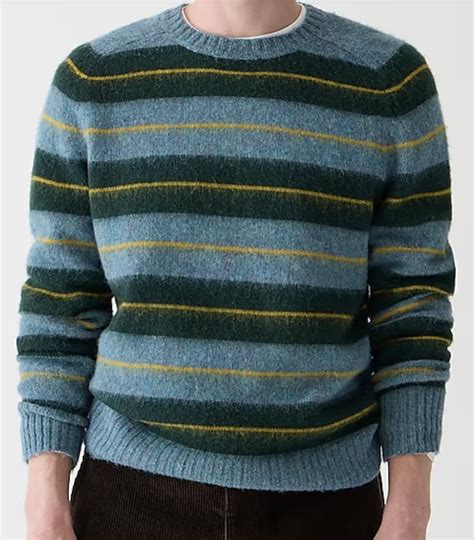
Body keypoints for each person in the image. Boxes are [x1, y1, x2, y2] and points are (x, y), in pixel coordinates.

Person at [17, 1, 455, 539]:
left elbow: (412, 303)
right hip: (129, 497)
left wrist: (411, 507)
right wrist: (44, 500)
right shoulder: (94, 82)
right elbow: (60, 298)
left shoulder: (387, 81)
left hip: (328, 501)